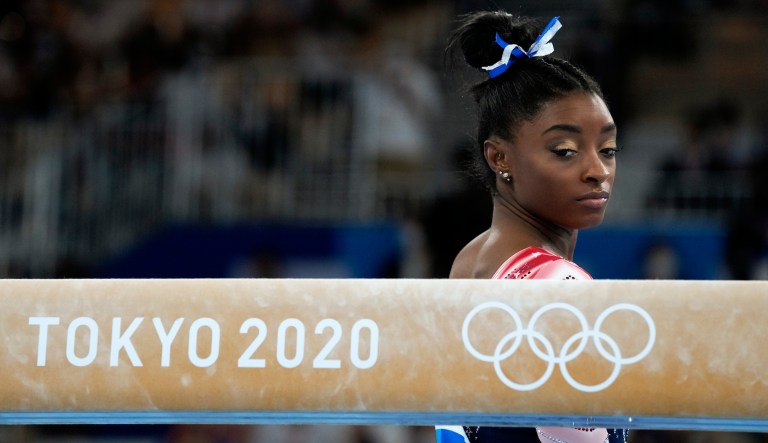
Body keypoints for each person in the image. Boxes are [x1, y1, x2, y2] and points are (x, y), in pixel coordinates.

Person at [435, 10, 627, 443]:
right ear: (499, 158)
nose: (598, 170)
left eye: (609, 149)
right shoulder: (559, 287)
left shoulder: (471, 260)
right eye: (564, 150)